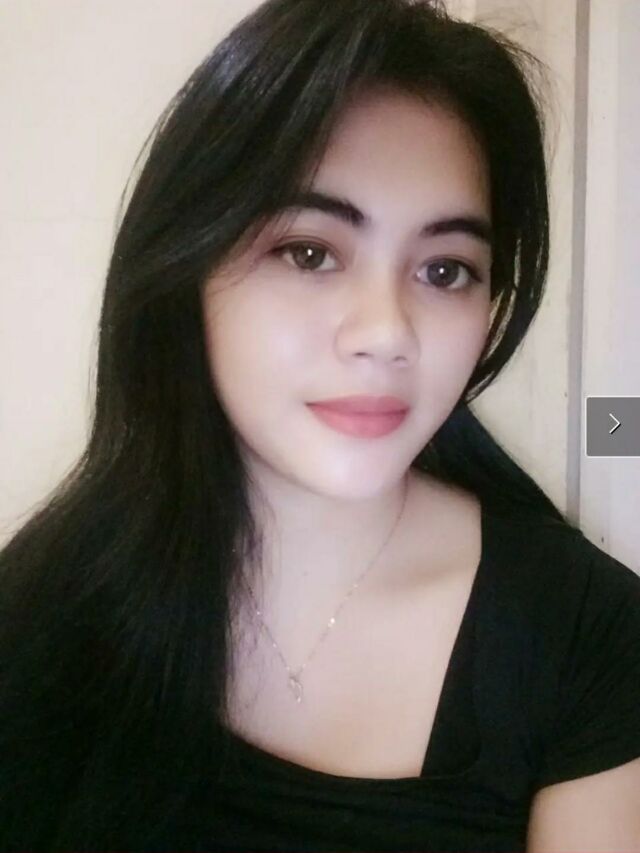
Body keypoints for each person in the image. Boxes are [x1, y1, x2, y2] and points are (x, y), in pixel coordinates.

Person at [1, 0, 639, 850]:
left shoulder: (586, 634)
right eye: (309, 252)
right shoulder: (46, 605)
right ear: (188, 266)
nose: (386, 333)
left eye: (446, 270)